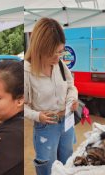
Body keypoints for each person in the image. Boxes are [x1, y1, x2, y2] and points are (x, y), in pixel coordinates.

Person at [24, 18, 79, 175]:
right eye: (52, 53)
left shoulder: (60, 64)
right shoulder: (26, 72)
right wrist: (37, 115)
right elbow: (20, 105)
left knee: (67, 162)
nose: (57, 58)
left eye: (60, 51)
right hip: (46, 127)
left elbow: (71, 86)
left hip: (66, 121)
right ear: (38, 49)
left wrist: (71, 100)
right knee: (48, 168)